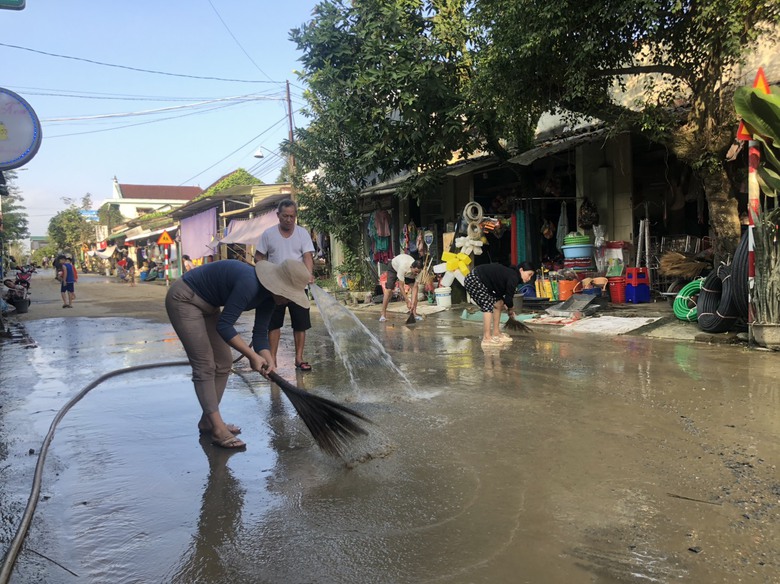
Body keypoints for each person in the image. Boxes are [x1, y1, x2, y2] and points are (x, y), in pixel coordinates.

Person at [165, 258, 312, 450]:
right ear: (277, 286)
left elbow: (260, 334)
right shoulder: (249, 283)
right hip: (185, 299)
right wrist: (252, 356)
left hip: (209, 307)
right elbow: (224, 326)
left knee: (224, 361)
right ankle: (217, 429)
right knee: (205, 364)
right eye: (287, 295)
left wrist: (267, 357)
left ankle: (208, 421)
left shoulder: (270, 299)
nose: (288, 300)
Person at [254, 199, 315, 371]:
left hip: (297, 285)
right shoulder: (268, 234)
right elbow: (259, 257)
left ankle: (299, 358)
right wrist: (265, 273)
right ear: (278, 215)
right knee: (273, 324)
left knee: (301, 324)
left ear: (295, 216)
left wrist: (308, 274)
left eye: (292, 216)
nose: (288, 219)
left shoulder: (302, 233)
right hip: (275, 286)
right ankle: (272, 360)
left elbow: (307, 257)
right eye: (285, 216)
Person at [463, 262, 523, 348]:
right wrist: (510, 309)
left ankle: (496, 333)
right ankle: (486, 338)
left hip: (485, 283)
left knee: (499, 303)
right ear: (521, 270)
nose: (529, 278)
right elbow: (509, 299)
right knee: (487, 305)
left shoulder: (511, 274)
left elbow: (503, 296)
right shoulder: (513, 276)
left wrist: (506, 304)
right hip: (474, 279)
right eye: (529, 274)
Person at [379, 254, 423, 322]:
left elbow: (415, 288)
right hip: (394, 267)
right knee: (389, 289)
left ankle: (414, 314)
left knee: (415, 289)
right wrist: (407, 301)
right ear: (411, 267)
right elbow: (401, 286)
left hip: (408, 272)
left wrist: (412, 303)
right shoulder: (403, 267)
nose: (417, 274)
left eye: (418, 272)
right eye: (416, 272)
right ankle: (383, 314)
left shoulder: (419, 272)